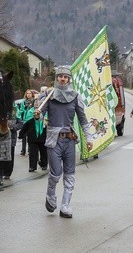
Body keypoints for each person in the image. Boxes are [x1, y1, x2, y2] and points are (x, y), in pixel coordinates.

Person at [34, 66, 93, 219]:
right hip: (54, 139)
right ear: (56, 78)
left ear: (69, 79)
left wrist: (89, 137)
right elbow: (40, 115)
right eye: (60, 76)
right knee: (55, 174)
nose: (62, 79)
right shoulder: (49, 95)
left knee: (70, 174)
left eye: (65, 77)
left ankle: (65, 205)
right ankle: (50, 196)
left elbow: (83, 119)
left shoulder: (75, 96)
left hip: (70, 140)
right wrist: (37, 115)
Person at [19, 99, 47, 172]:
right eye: (35, 102)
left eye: (38, 102)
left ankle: (44, 164)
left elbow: (47, 121)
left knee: (43, 151)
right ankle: (32, 166)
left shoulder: (44, 112)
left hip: (42, 135)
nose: (37, 103)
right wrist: (21, 134)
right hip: (32, 135)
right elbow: (26, 124)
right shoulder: (30, 112)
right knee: (33, 152)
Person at [16, 89, 35, 155]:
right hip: (24, 120)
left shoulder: (34, 101)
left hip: (31, 120)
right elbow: (21, 110)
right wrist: (20, 117)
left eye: (30, 93)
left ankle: (30, 149)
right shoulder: (23, 102)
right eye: (27, 93)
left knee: (30, 136)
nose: (29, 94)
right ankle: (23, 149)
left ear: (32, 94)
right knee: (23, 135)